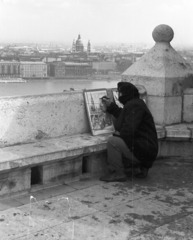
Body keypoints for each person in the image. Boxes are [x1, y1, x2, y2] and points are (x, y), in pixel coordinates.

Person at [100, 81, 158, 182]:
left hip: (144, 152)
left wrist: (118, 134)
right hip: (148, 150)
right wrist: (111, 106)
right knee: (120, 139)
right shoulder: (136, 103)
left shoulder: (133, 105)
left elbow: (128, 130)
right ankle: (142, 168)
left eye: (120, 93)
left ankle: (117, 173)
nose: (119, 96)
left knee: (113, 141)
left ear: (125, 94)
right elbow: (124, 115)